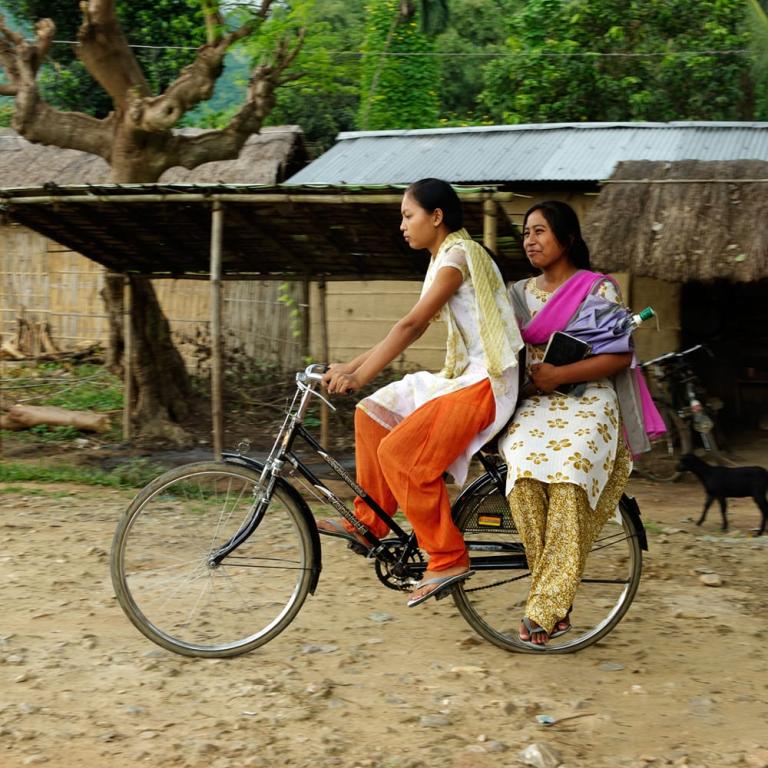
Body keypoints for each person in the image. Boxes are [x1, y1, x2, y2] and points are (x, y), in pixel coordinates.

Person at [319, 178, 523, 607]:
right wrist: (351, 368)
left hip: (489, 381)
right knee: (372, 412)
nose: (402, 226)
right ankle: (370, 522)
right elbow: (406, 326)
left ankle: (447, 556)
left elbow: (410, 327)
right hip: (464, 376)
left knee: (402, 454)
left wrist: (360, 373)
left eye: (408, 216)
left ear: (436, 217)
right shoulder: (442, 259)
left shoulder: (457, 257)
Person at [498, 200, 635, 647]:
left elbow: (618, 355)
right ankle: (554, 600)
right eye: (525, 233)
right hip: (535, 403)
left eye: (539, 231)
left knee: (571, 472)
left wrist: (560, 375)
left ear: (568, 238)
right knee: (523, 476)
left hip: (589, 399)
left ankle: (547, 606)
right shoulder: (517, 294)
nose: (530, 241)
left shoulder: (599, 291)